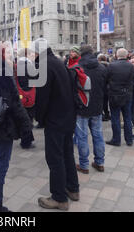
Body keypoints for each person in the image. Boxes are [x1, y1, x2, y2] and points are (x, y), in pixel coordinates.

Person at [0, 43, 32, 212]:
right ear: (2, 54)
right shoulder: (3, 71)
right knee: (0, 166)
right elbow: (14, 102)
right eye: (8, 51)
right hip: (4, 125)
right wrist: (26, 124)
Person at [31, 39, 80, 212]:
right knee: (67, 154)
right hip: (67, 117)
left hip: (55, 119)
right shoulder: (58, 62)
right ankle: (72, 189)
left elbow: (42, 98)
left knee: (55, 158)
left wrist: (40, 118)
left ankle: (59, 198)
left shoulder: (44, 66)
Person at [74, 45, 107, 175]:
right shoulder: (102, 67)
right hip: (97, 106)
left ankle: (84, 165)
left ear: (80, 54)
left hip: (82, 107)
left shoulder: (77, 68)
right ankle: (99, 162)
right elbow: (105, 86)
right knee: (98, 135)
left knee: (82, 137)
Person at [106, 48, 134, 147]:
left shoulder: (112, 65)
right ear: (126, 55)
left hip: (115, 95)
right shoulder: (131, 66)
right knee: (127, 117)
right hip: (127, 94)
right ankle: (129, 140)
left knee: (115, 118)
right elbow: (132, 79)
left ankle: (116, 139)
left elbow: (107, 79)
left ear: (116, 55)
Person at [98, 54, 110, 121]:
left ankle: (102, 115)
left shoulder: (99, 66)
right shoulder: (109, 66)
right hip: (107, 87)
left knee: (101, 101)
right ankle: (107, 114)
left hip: (101, 86)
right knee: (106, 102)